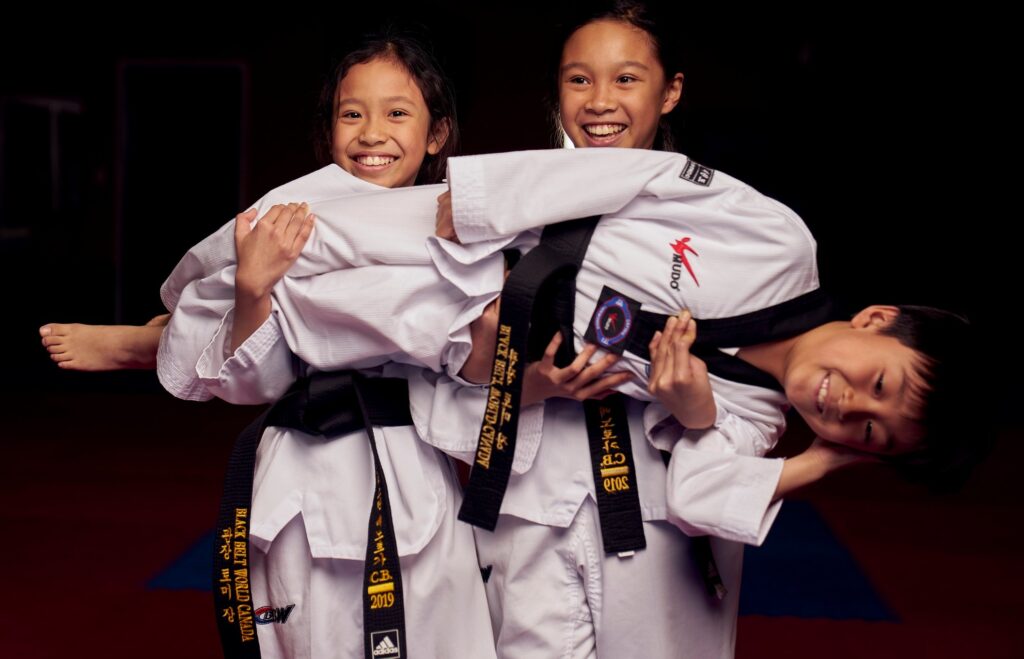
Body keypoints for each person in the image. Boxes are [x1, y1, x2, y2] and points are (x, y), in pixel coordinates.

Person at [160, 33, 497, 659]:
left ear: (437, 134)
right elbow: (250, 382)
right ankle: (139, 339)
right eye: (352, 113)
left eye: (398, 112)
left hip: (410, 464)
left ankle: (134, 341)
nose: (372, 132)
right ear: (329, 129)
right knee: (303, 637)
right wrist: (256, 288)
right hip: (303, 463)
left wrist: (485, 320)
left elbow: (476, 377)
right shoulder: (291, 223)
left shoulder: (463, 226)